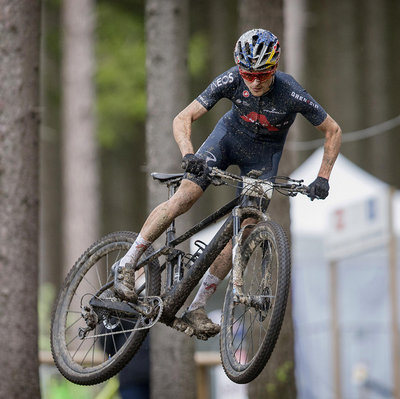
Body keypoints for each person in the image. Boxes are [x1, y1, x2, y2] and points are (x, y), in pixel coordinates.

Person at [112, 29, 342, 338]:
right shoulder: (231, 79)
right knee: (185, 198)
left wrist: (323, 177)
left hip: (262, 159)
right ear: (239, 67)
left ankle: (197, 306)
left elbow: (333, 130)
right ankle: (128, 262)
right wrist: (188, 154)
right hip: (226, 142)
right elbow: (183, 118)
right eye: (249, 73)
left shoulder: (290, 91)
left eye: (263, 73)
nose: (255, 81)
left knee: (244, 229)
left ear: (274, 68)